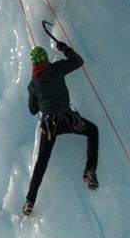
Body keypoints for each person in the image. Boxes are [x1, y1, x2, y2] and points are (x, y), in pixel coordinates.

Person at [22, 39, 98, 217]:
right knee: (92, 131)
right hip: (67, 121)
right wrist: (64, 48)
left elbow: (33, 110)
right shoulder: (56, 69)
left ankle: (29, 202)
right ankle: (90, 170)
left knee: (41, 163)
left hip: (49, 127)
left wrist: (39, 96)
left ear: (33, 64)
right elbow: (78, 61)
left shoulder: (32, 85)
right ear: (46, 58)